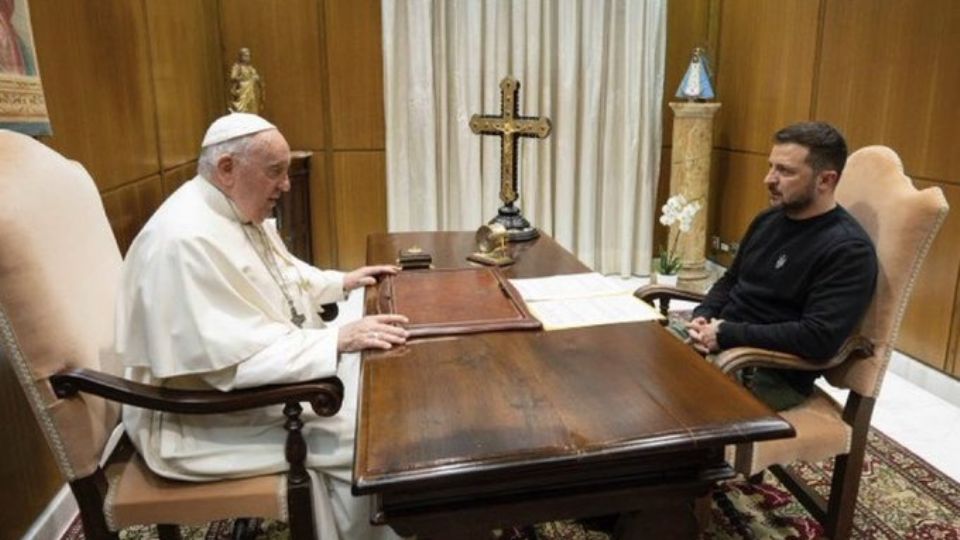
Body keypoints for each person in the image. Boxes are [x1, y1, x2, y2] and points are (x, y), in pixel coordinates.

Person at [117, 112, 408, 539]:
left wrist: (340, 282)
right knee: (370, 437)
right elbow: (227, 364)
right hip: (193, 421)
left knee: (373, 372)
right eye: (275, 172)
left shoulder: (227, 208)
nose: (286, 185)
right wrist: (333, 342)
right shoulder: (183, 242)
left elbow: (280, 275)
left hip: (242, 393)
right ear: (227, 168)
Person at [685, 121, 877, 411]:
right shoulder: (768, 219)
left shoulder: (848, 250)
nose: (768, 179)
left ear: (825, 180)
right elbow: (731, 280)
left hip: (768, 372)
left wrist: (726, 334)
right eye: (771, 166)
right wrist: (703, 315)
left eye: (785, 171)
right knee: (636, 364)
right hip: (722, 347)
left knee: (661, 402)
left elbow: (818, 337)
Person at [229, 47, 264, 114]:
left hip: (251, 93)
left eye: (248, 56)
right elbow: (233, 77)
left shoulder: (250, 68)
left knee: (252, 107)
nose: (247, 58)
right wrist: (244, 78)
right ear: (241, 56)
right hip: (243, 90)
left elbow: (255, 76)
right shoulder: (237, 67)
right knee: (242, 109)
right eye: (245, 56)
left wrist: (256, 78)